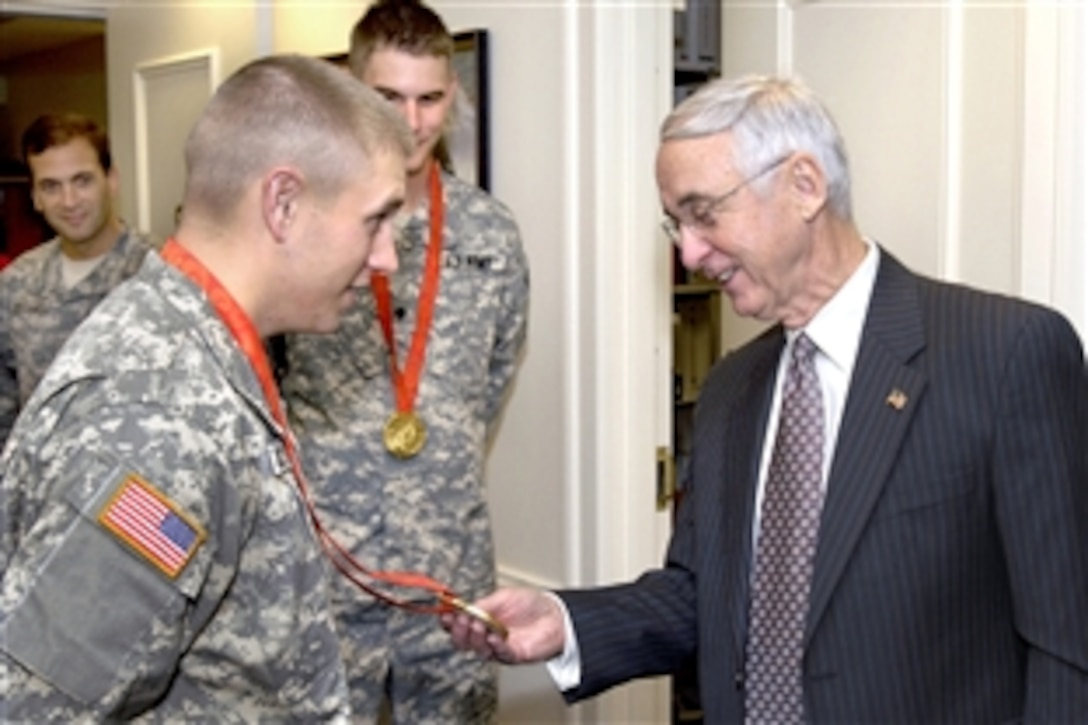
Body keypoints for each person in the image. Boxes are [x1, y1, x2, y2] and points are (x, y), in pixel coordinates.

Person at [446, 74, 1088, 722]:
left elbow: (1067, 641)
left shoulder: (1004, 354)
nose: (691, 252)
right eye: (676, 224)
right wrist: (563, 620)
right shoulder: (732, 388)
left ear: (805, 185)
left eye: (703, 213)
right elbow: (704, 594)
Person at [0, 53, 411, 719]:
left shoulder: (201, 349)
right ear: (284, 203)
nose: (388, 255)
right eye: (376, 218)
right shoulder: (159, 418)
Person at [277, 1, 530, 721]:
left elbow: (490, 379)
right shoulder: (301, 228)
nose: (412, 122)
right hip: (328, 574)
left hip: (448, 581)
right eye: (389, 97)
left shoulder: (491, 233)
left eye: (430, 98)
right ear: (354, 92)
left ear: (452, 97)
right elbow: (266, 379)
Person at [0, 113, 155, 448]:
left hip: (134, 489)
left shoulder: (158, 276)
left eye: (82, 180)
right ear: (35, 198)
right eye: (51, 187)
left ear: (111, 180)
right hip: (42, 489)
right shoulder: (16, 284)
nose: (69, 201)